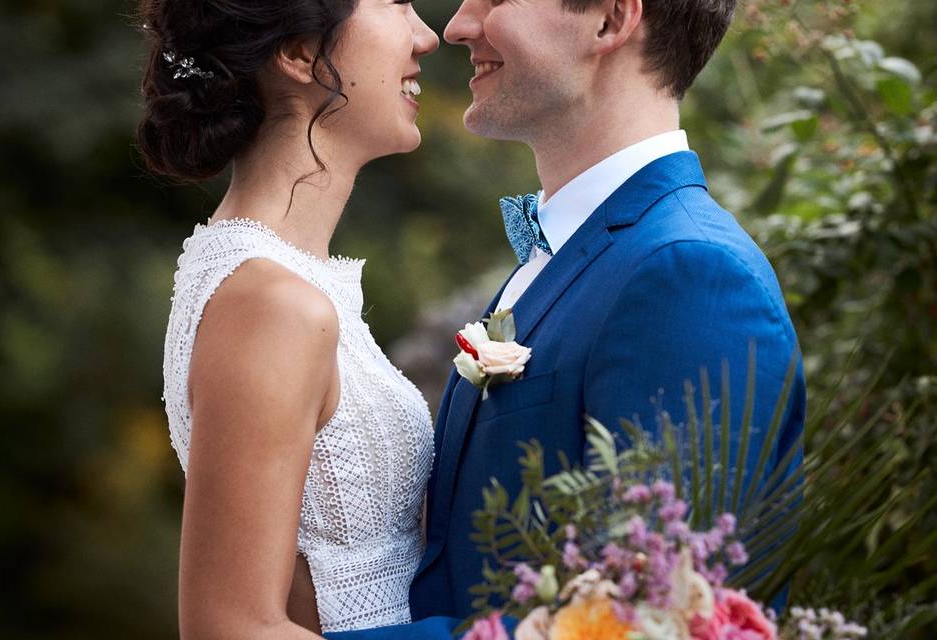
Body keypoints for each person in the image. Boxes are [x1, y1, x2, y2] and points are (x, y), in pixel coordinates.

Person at [329, 0, 805, 638]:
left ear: (609, 20)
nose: (457, 27)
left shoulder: (693, 276)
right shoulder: (569, 255)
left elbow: (653, 617)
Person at [139, 0, 443, 637]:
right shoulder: (272, 304)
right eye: (395, 4)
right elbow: (229, 626)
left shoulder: (289, 283)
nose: (426, 36)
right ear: (301, 54)